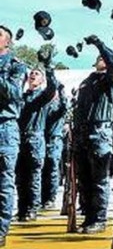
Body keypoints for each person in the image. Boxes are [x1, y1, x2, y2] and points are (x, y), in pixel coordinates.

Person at [71, 35, 113, 233]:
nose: (101, 58)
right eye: (99, 56)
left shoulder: (111, 79)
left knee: (99, 179)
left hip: (99, 132)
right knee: (84, 179)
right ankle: (88, 217)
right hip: (82, 133)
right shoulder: (87, 80)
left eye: (104, 56)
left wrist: (100, 44)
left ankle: (99, 219)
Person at [16, 59, 58, 222]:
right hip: (19, 139)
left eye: (37, 74)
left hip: (35, 139)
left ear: (42, 80)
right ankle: (22, 209)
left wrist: (48, 69)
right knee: (20, 178)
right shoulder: (21, 97)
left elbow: (52, 88)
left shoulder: (42, 97)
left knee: (34, 177)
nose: (33, 75)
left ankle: (32, 209)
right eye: (31, 73)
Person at [0, 25, 27, 247]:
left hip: (4, 128)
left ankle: (0, 230)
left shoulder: (16, 65)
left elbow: (14, 92)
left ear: (7, 42)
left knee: (3, 183)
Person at [41, 79, 68, 210]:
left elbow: (65, 107)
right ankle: (42, 198)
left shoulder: (59, 105)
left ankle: (50, 198)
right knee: (42, 170)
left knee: (52, 168)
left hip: (54, 139)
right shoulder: (43, 104)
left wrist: (62, 91)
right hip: (42, 138)